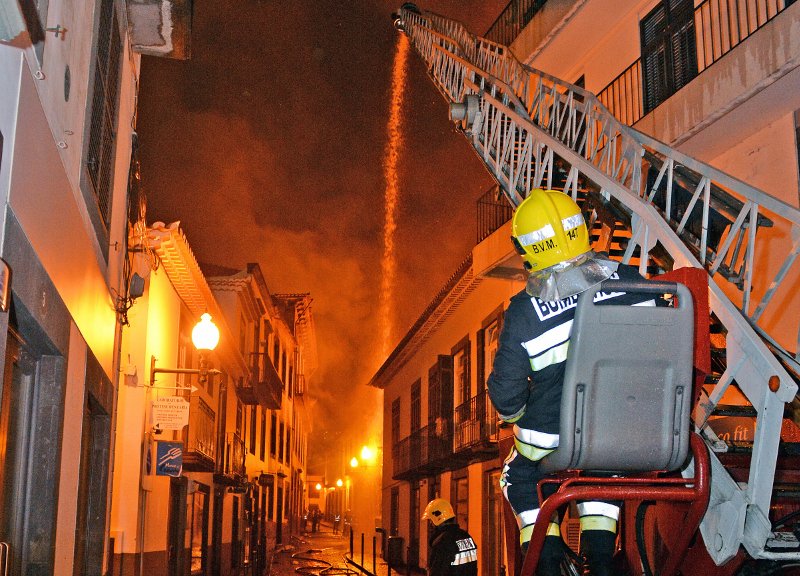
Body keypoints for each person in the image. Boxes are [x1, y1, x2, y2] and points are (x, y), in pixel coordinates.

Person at [487, 188, 661, 576]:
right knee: (602, 472)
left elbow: (508, 399)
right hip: (625, 435)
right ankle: (599, 559)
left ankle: (548, 558)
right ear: (580, 229)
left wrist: (516, 406)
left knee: (519, 476)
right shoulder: (640, 286)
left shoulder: (525, 312)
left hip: (554, 439)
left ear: (528, 249)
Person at [422, 498, 477, 576]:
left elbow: (439, 572)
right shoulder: (466, 537)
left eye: (431, 520)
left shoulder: (443, 542)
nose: (430, 524)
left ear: (438, 518)